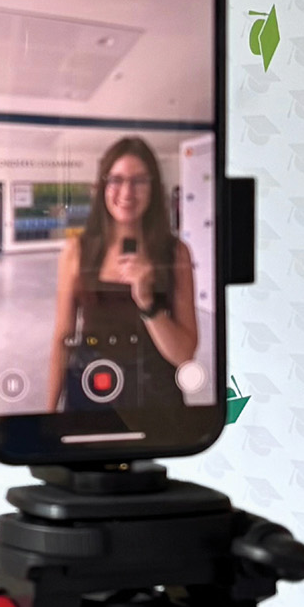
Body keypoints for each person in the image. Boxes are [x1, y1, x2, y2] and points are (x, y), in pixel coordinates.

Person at [42, 136, 200, 412]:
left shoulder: (175, 253)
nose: (126, 193)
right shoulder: (77, 250)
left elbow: (183, 354)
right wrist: (48, 414)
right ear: (103, 186)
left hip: (156, 399)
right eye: (116, 180)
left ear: (153, 189)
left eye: (139, 181)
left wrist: (148, 303)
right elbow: (62, 338)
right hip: (91, 390)